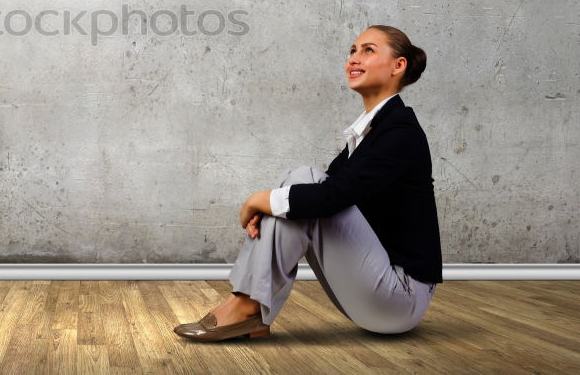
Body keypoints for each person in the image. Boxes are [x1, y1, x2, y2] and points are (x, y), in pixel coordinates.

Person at [174, 25, 443, 342]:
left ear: (399, 66)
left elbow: (329, 198)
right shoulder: (370, 134)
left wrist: (258, 201)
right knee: (298, 192)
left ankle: (247, 306)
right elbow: (319, 200)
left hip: (401, 297)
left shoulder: (401, 131)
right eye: (352, 51)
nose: (354, 59)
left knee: (303, 181)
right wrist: (275, 207)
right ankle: (248, 307)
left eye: (368, 50)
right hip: (378, 291)